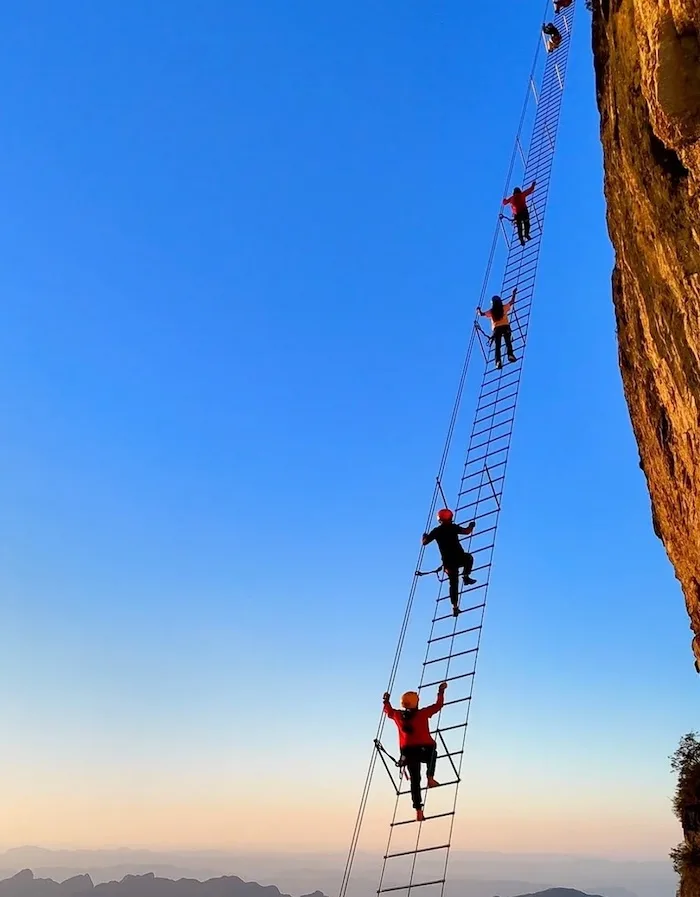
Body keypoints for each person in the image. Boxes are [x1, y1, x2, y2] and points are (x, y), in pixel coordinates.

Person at [382, 683, 448, 821]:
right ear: (416, 703)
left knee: (415, 781)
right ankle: (430, 778)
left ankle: (418, 811)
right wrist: (441, 692)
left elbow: (388, 711)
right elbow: (438, 706)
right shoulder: (422, 714)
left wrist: (386, 701)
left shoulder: (398, 715)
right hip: (424, 749)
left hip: (408, 753)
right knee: (433, 753)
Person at [422, 509, 476, 617]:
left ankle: (455, 608)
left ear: (439, 520)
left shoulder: (437, 531)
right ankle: (466, 577)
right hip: (459, 557)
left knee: (454, 584)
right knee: (469, 558)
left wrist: (424, 536)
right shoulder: (453, 527)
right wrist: (471, 525)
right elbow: (467, 531)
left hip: (448, 563)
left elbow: (425, 542)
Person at [477, 288, 517, 369]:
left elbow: (481, 314)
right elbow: (512, 301)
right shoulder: (503, 308)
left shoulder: (492, 311)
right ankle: (510, 355)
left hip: (496, 329)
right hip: (505, 327)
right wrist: (514, 293)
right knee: (508, 342)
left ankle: (498, 361)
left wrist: (478, 310)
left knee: (497, 346)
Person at [503, 181, 536, 246]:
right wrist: (533, 185)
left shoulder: (511, 198)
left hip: (517, 214)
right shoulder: (522, 194)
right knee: (527, 223)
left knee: (519, 227)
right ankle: (526, 234)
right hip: (524, 211)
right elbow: (530, 189)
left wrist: (504, 200)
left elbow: (504, 203)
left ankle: (521, 240)